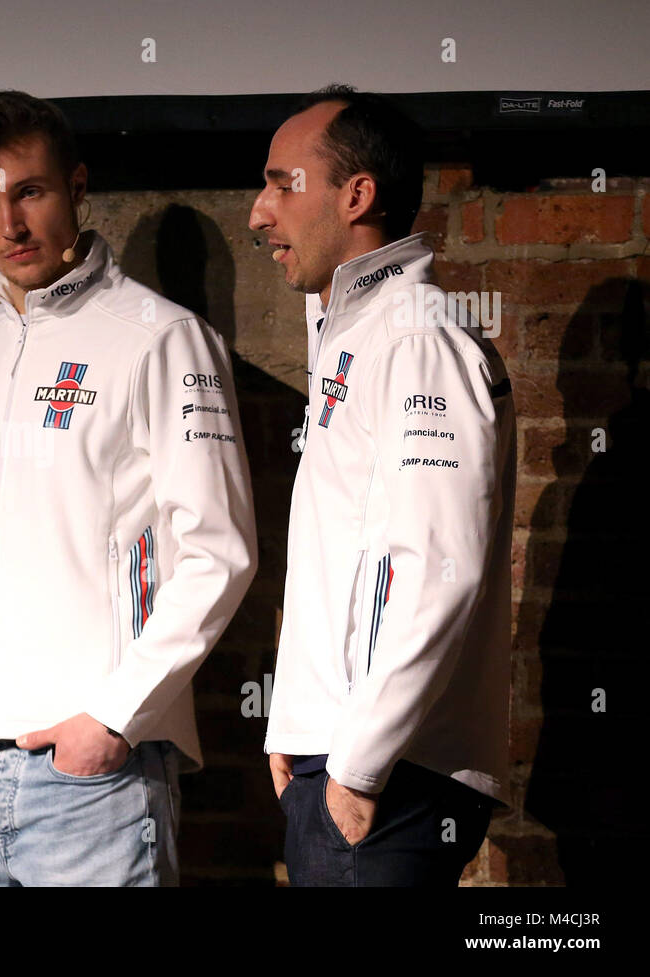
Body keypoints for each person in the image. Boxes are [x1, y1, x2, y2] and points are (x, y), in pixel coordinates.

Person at [0, 90, 257, 886]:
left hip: (95, 778)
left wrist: (113, 720)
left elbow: (217, 553)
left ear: (77, 185)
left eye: (29, 192)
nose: (9, 225)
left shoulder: (162, 336)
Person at [249, 85, 515, 886]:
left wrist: (356, 771)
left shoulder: (418, 339)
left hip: (384, 779)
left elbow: (441, 566)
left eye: (280, 184)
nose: (260, 213)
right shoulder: (358, 333)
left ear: (357, 194)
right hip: (345, 762)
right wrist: (293, 725)